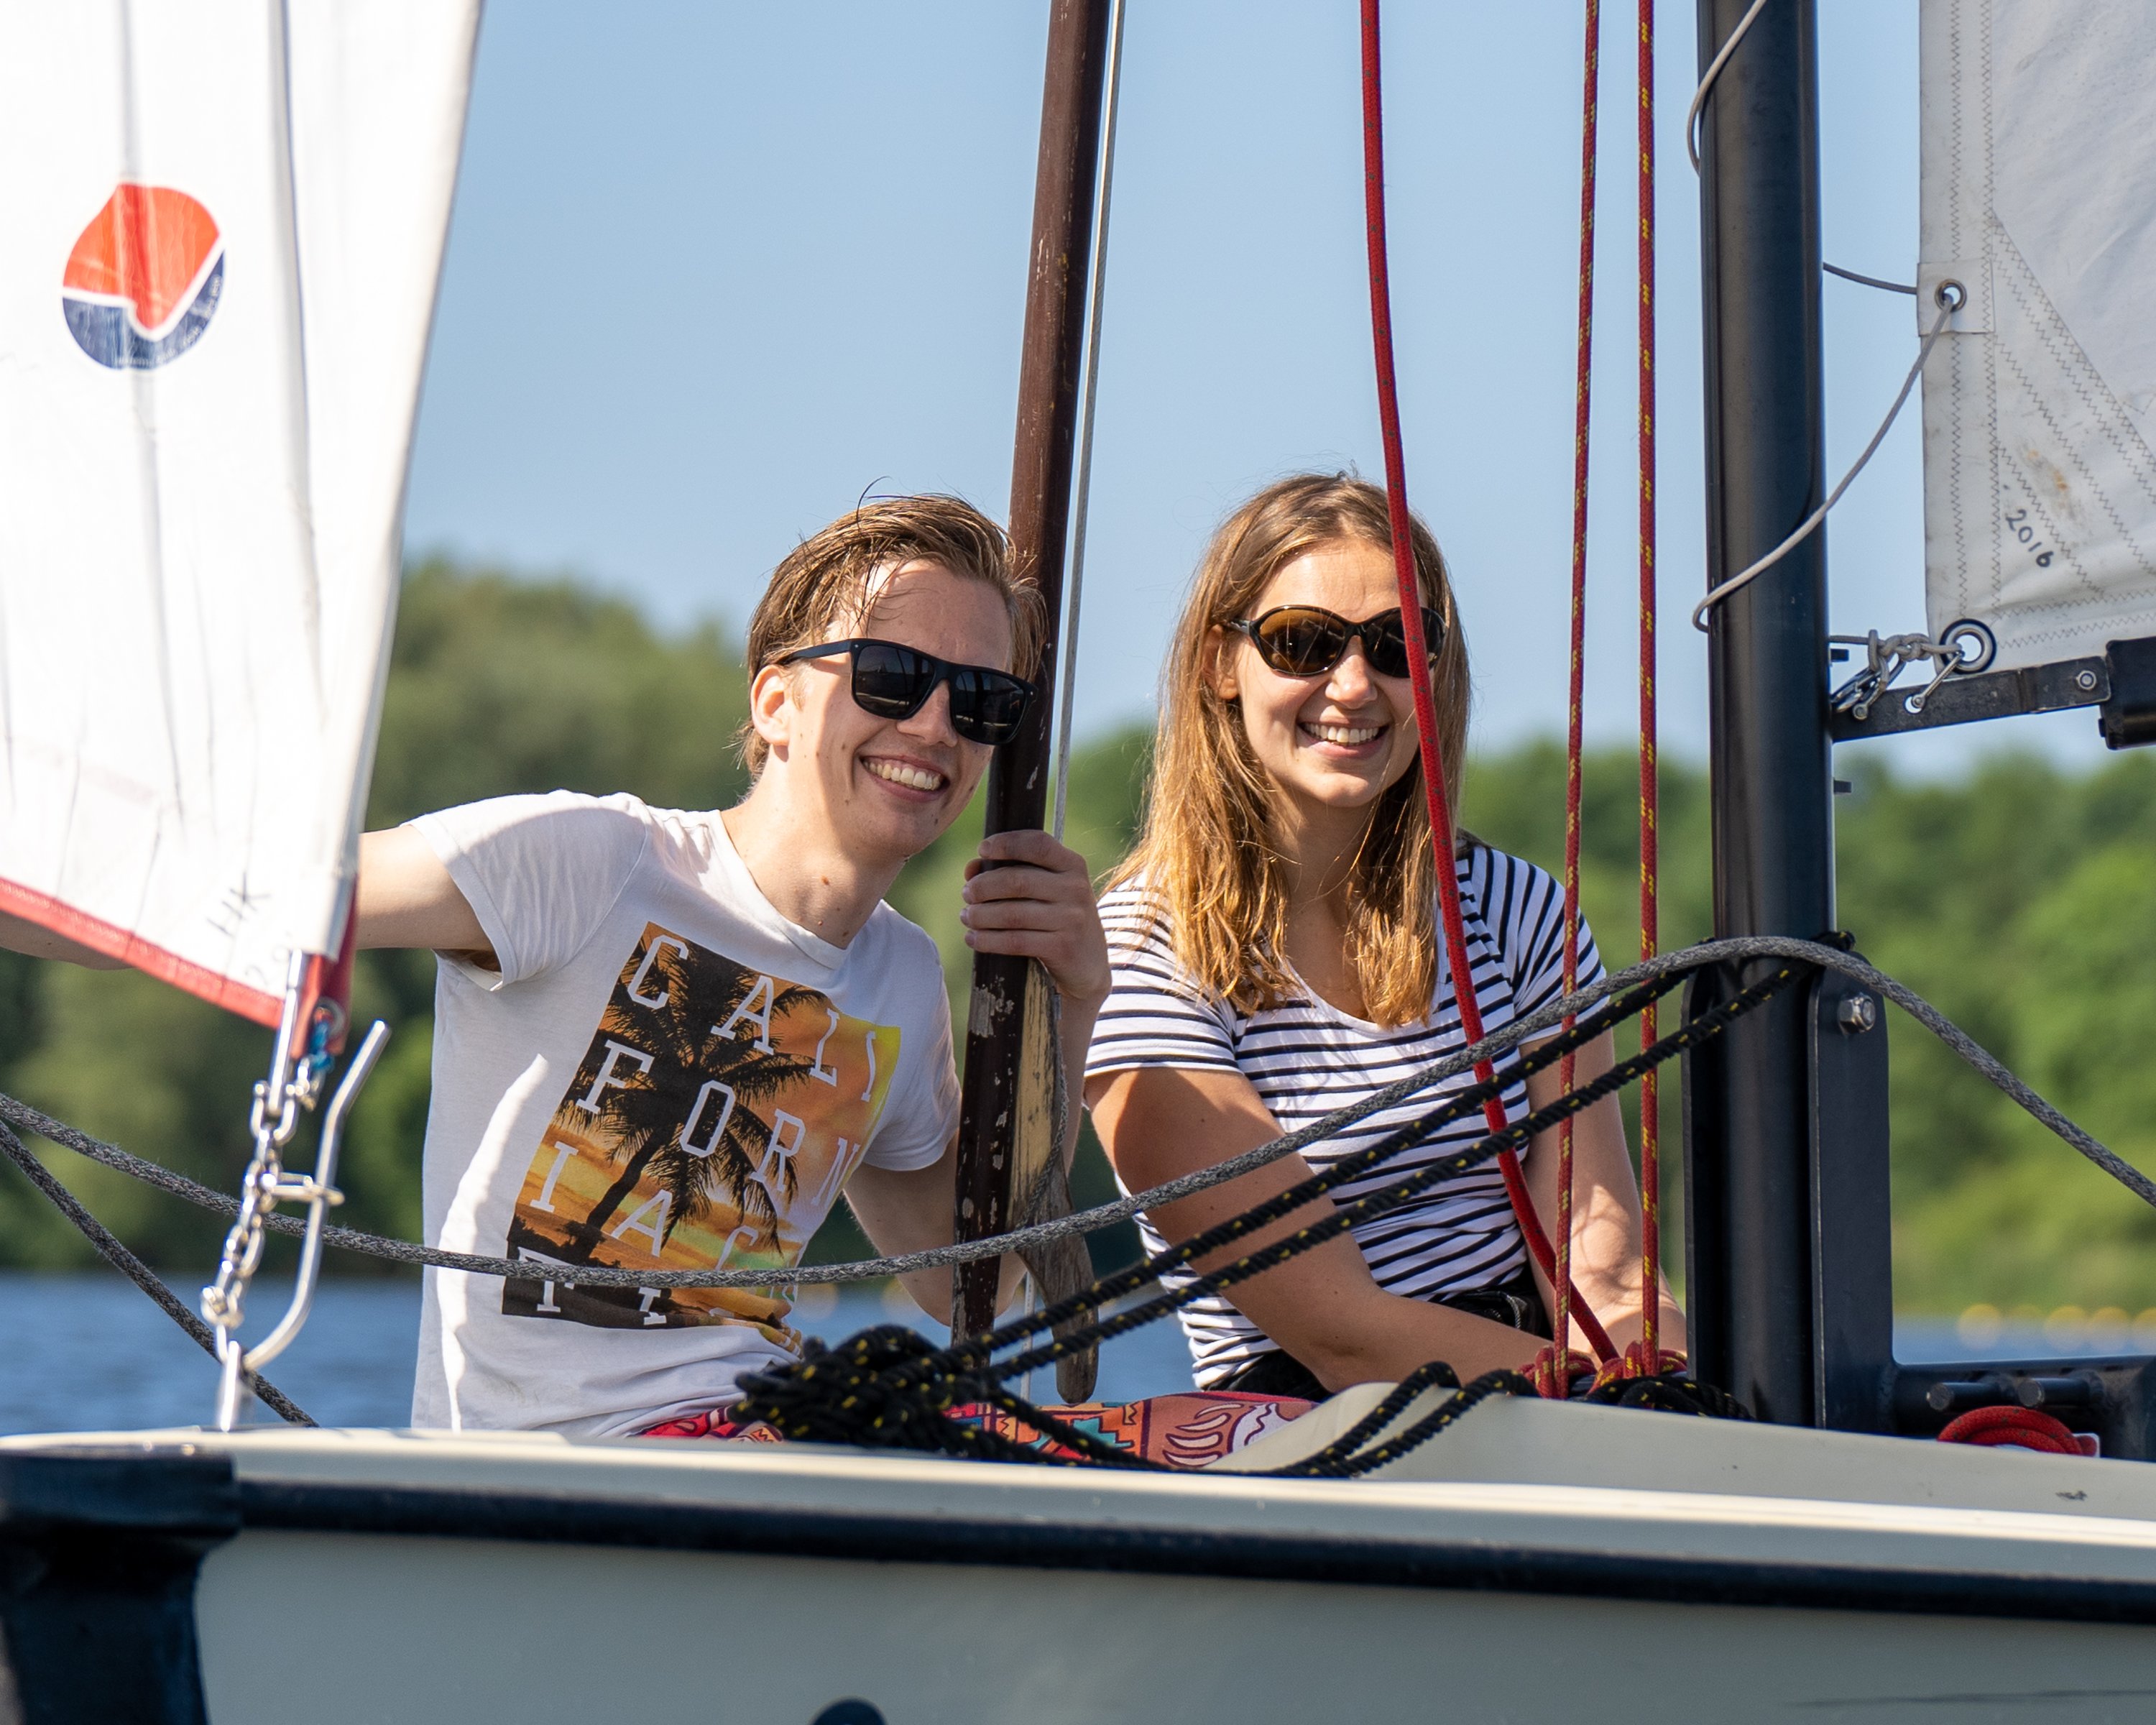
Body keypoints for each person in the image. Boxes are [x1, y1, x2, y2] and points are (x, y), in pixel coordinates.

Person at [4, 494, 1110, 1437]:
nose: (937, 726)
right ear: (776, 703)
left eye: (984, 702)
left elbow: (963, 1282)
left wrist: (1072, 1001)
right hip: (549, 1480)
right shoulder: (588, 863)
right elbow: (242, 892)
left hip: (759, 1459)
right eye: (892, 676)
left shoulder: (903, 980)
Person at [1084, 474, 1681, 1402]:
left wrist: (1659, 1380)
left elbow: (1604, 1269)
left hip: (1552, 1407)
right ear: (1219, 665)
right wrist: (1591, 1401)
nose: (1356, 684)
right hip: (1323, 1424)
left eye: (1399, 644)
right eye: (1304, 643)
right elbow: (1341, 1334)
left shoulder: (1519, 912)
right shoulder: (1140, 954)